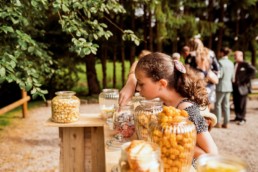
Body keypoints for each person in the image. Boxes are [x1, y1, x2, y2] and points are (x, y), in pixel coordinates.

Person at [135, 52, 218, 167]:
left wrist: (172, 142)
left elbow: (212, 154)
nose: (137, 89)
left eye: (141, 84)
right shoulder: (165, 103)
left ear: (162, 84)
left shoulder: (188, 111)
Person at [187, 38, 220, 110]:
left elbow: (187, 70)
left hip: (197, 83)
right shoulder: (210, 53)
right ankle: (208, 120)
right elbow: (217, 68)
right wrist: (212, 75)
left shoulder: (191, 55)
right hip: (209, 83)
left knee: (197, 106)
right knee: (208, 106)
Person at [231, 51, 256, 125]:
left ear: (241, 56)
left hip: (243, 87)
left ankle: (242, 118)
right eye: (234, 55)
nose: (235, 57)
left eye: (236, 55)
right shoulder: (235, 64)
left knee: (242, 103)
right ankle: (237, 117)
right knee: (236, 102)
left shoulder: (245, 64)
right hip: (235, 87)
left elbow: (253, 71)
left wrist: (245, 81)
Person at [214, 47, 234, 128]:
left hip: (221, 86)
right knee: (226, 105)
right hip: (228, 86)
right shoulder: (231, 63)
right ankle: (226, 123)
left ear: (222, 53)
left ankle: (218, 122)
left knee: (218, 104)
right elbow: (232, 76)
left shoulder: (220, 62)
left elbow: (220, 75)